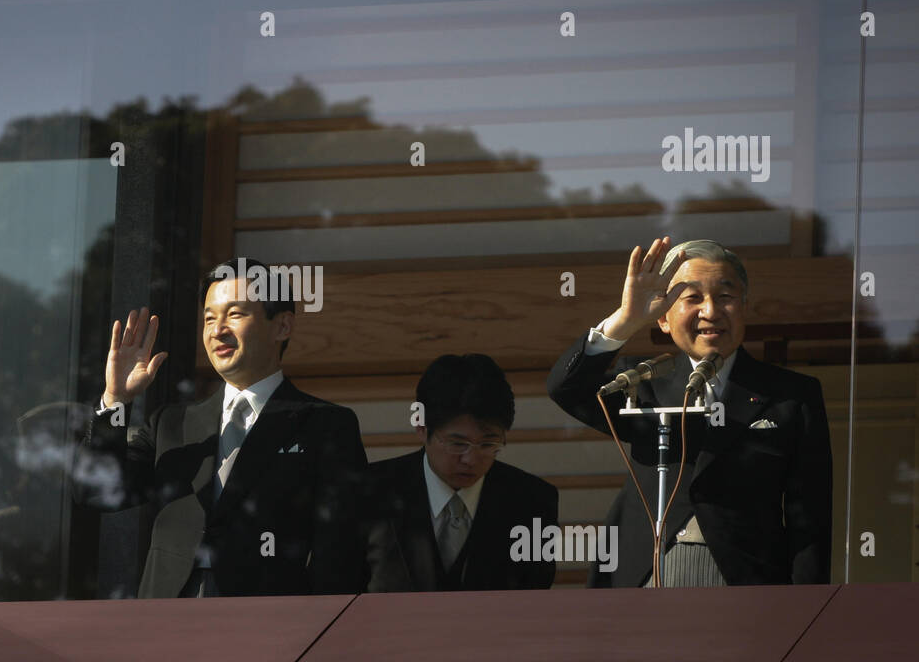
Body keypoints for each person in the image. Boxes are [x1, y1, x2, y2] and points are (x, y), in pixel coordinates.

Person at [546, 237, 831, 588]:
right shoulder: (643, 382)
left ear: (744, 307)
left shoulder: (791, 396)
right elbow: (565, 388)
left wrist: (806, 607)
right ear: (664, 318)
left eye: (725, 297)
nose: (710, 311)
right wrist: (626, 320)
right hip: (641, 575)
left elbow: (811, 520)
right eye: (692, 297)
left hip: (747, 584)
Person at [79, 258, 368, 598]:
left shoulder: (326, 425)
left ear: (283, 327)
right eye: (209, 318)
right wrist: (115, 399)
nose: (217, 330)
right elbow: (96, 492)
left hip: (270, 624)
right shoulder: (171, 424)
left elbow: (341, 551)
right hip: (165, 621)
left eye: (235, 314)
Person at [364, 354, 558, 592]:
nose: (471, 459)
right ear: (422, 428)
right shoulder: (367, 492)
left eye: (488, 445)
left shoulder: (533, 501)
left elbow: (534, 600)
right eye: (457, 444)